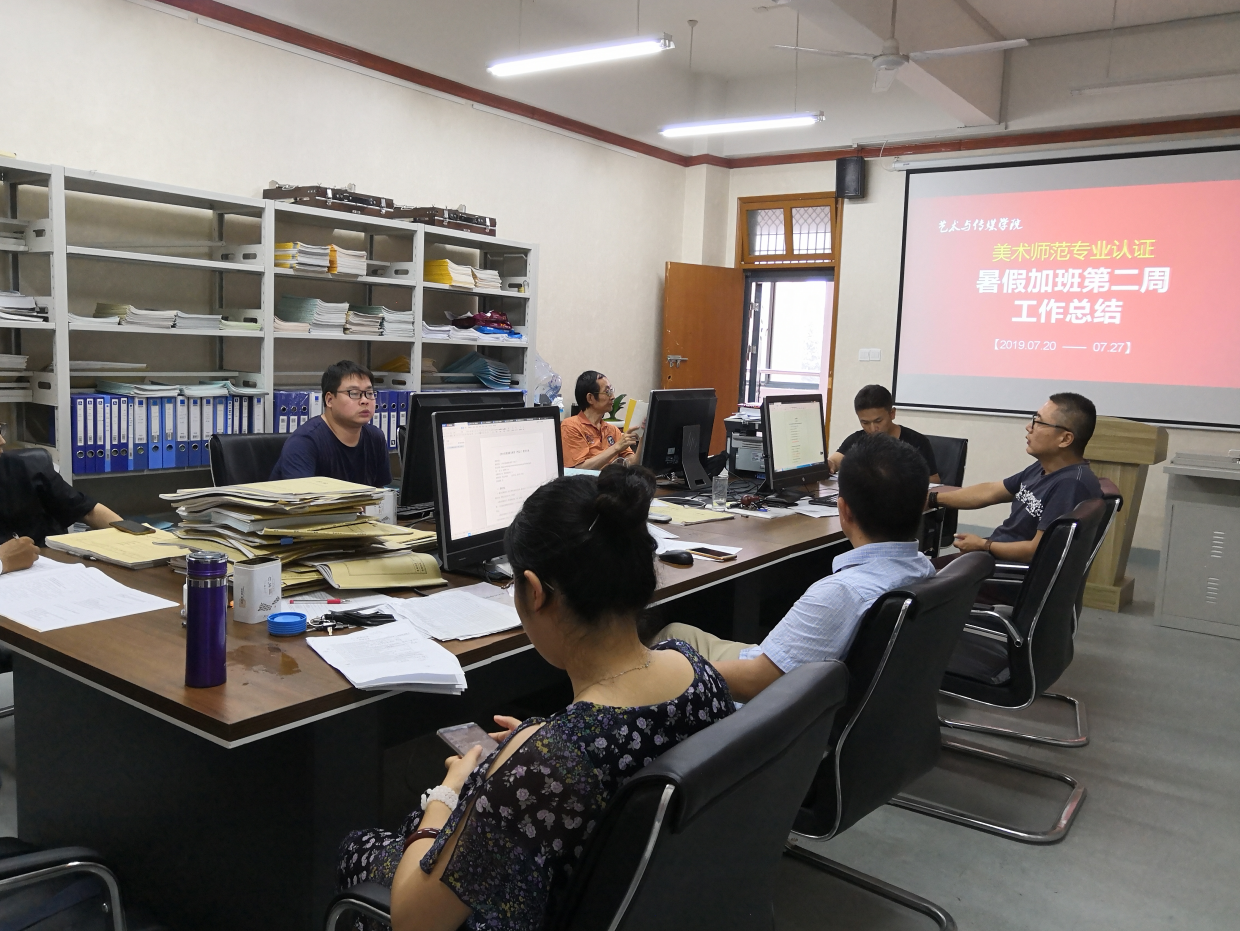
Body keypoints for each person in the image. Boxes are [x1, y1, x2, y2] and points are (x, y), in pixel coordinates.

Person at [336, 464, 733, 931]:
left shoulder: (549, 763)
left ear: (536, 592)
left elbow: (413, 921)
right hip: (655, 903)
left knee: (358, 848)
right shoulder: (696, 669)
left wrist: (447, 794)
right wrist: (537, 747)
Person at [654, 432, 935, 702]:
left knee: (660, 645)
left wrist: (662, 672)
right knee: (676, 631)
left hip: (766, 710)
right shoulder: (924, 569)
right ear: (923, 504)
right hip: (828, 698)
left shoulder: (841, 592)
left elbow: (755, 682)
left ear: (844, 511)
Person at [935, 392, 1100, 566]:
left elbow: (1037, 550)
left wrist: (984, 545)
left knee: (919, 577)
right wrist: (933, 498)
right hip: (993, 556)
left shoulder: (1070, 484)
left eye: (1039, 422)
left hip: (1007, 571)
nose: (1029, 427)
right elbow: (991, 491)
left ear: (1065, 439)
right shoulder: (1043, 467)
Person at [0, 421, 122, 569]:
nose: (2, 440)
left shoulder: (26, 467)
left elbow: (88, 511)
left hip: (49, 568)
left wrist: (138, 538)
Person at [268, 360, 391, 487]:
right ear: (330, 400)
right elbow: (302, 496)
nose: (365, 400)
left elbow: (380, 492)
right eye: (354, 393)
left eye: (369, 393)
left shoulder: (375, 437)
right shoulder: (304, 442)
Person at [828, 384, 940, 483]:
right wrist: (830, 465)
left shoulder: (917, 441)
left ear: (892, 413)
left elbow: (934, 479)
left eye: (878, 421)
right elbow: (834, 461)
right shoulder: (857, 440)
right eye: (865, 423)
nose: (873, 429)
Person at [560, 370, 639, 469]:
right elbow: (579, 469)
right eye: (607, 392)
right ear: (590, 398)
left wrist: (644, 437)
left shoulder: (612, 430)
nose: (613, 397)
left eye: (612, 390)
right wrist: (616, 448)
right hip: (589, 479)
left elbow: (631, 463)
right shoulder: (571, 426)